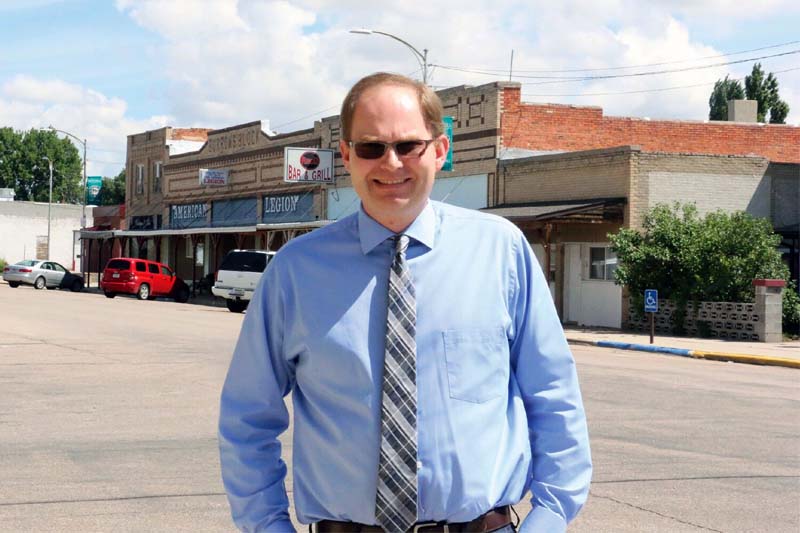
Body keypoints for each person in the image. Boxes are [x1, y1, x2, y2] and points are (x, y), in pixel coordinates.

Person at [218, 72, 592, 533]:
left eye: (408, 145)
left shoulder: (501, 252)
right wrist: (268, 526)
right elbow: (247, 417)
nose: (391, 163)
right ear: (348, 156)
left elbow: (553, 395)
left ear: (440, 149)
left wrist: (550, 517)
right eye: (372, 147)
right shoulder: (295, 271)